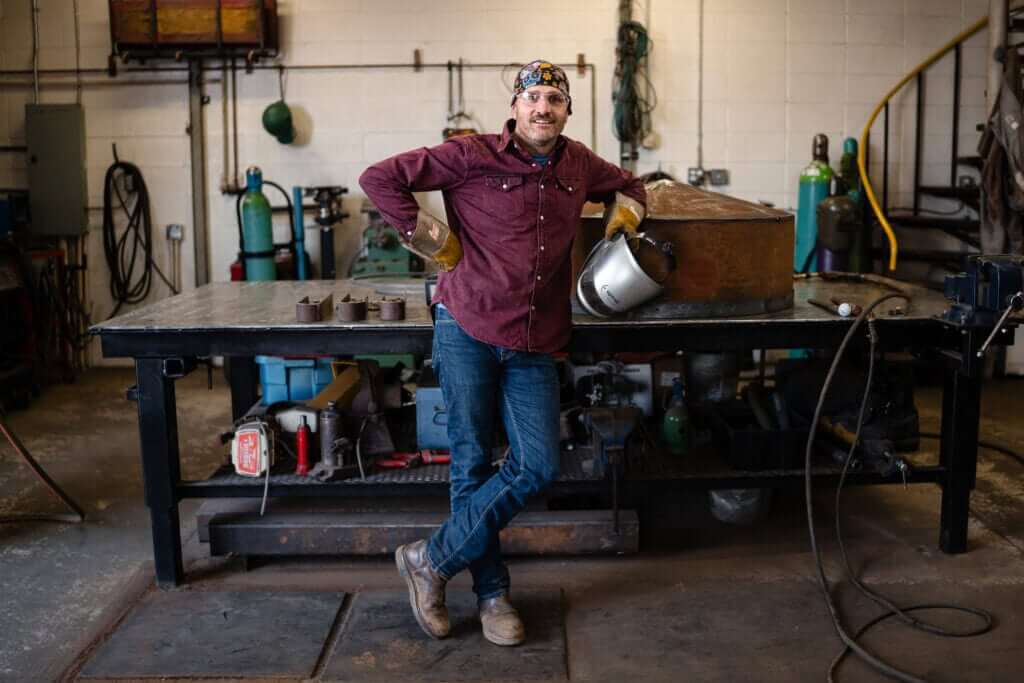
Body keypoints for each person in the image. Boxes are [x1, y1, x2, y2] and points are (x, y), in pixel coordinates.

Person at [359, 59, 646, 646]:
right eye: (533, 97)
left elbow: (632, 186)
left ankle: (429, 561)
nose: (543, 107)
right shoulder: (471, 154)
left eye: (554, 100)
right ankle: (492, 596)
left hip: (536, 338)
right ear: (515, 108)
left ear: (567, 111)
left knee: (537, 465)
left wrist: (622, 221)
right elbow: (378, 178)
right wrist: (430, 237)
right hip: (467, 325)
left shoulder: (579, 163)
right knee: (471, 465)